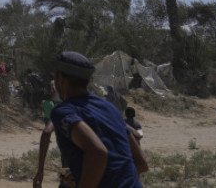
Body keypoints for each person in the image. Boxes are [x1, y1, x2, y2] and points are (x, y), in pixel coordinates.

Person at [50, 50, 147, 188]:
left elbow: (98, 152)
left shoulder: (64, 111)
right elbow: (142, 164)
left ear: (60, 79)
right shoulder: (109, 108)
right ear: (88, 80)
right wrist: (89, 176)